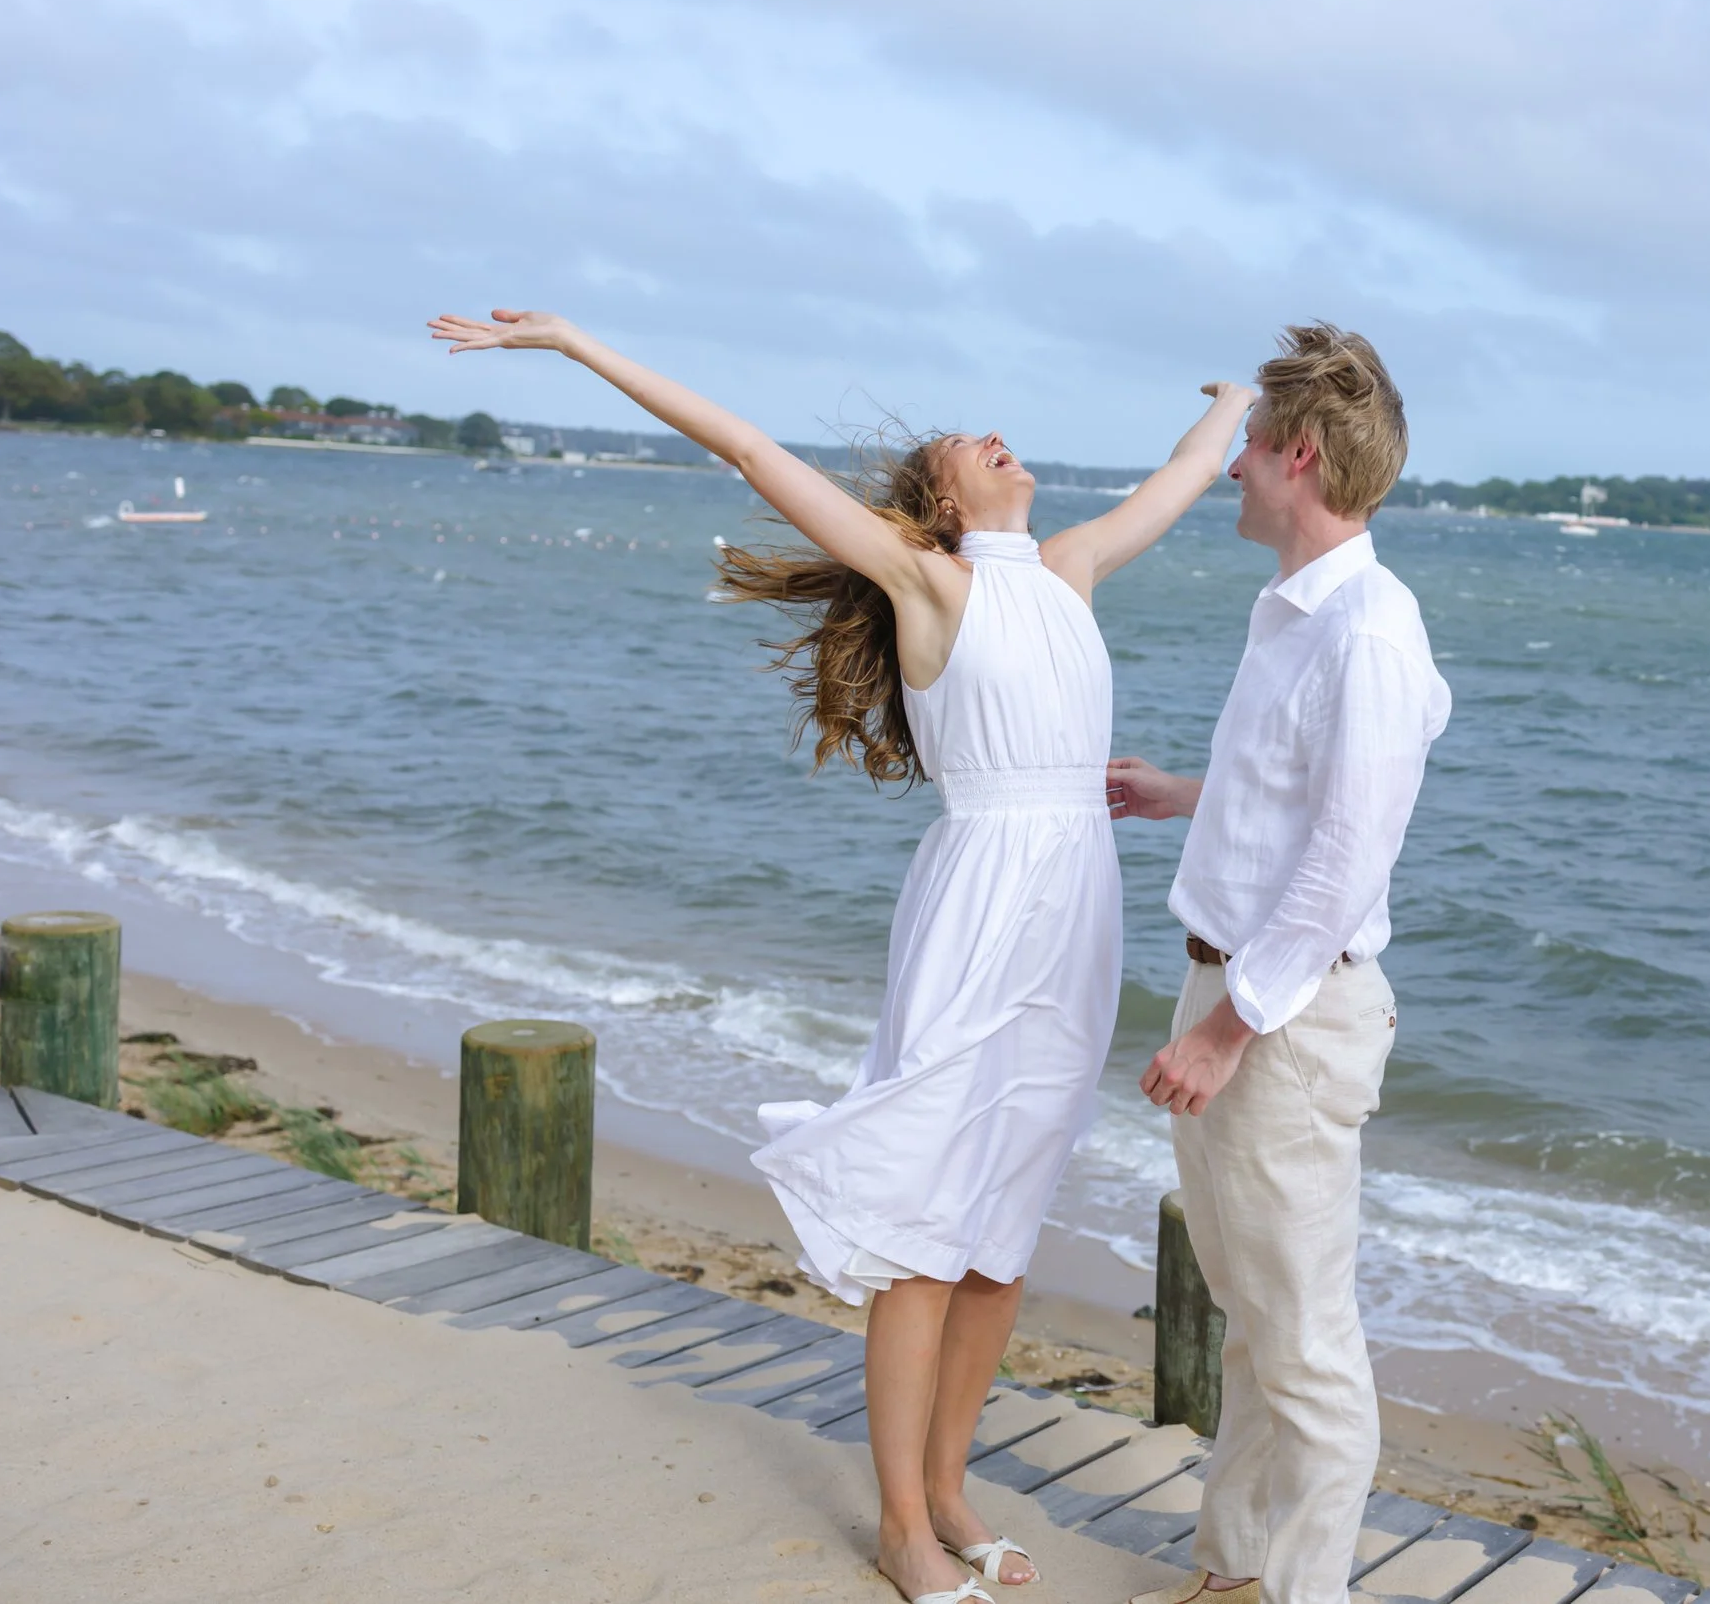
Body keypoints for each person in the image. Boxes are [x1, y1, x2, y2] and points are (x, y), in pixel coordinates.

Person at [427, 308, 1254, 1604]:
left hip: (1078, 913)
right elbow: (752, 449)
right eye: (965, 447)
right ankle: (899, 1524)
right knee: (927, 1224)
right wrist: (577, 347)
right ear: (934, 501)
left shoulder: (1074, 565)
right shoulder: (932, 583)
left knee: (998, 1237)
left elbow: (1191, 473)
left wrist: (1233, 396)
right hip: (980, 902)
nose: (996, 438)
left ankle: (946, 1487)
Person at [1106, 324, 1451, 1604]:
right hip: (1240, 989)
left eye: (1248, 447)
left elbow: (1346, 863)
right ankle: (1232, 1574)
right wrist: (1184, 794)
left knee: (1305, 1347)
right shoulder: (1298, 610)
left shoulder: (1368, 628)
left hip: (1283, 1021)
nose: (1232, 470)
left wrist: (1223, 1029)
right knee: (1254, 1321)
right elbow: (1297, 800)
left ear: (1298, 456)